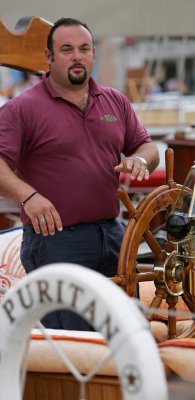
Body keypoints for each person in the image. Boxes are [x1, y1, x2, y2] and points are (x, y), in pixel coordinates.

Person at [0, 18, 159, 330]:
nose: (77, 56)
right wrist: (28, 197)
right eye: (67, 49)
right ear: (49, 57)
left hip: (113, 236)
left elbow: (146, 146)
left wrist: (140, 160)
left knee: (129, 332)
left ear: (93, 54)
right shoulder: (22, 109)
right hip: (55, 241)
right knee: (71, 343)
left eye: (84, 49)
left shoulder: (115, 101)